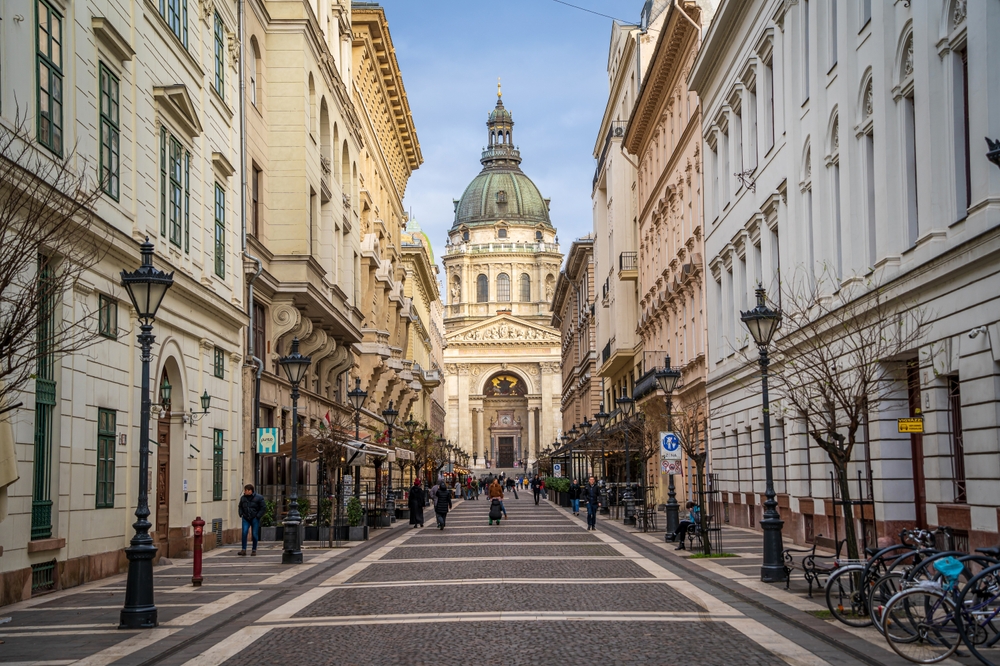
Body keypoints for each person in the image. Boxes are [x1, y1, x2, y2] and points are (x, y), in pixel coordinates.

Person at [238, 484, 266, 556]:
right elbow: (240, 506)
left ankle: (254, 550)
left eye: (246, 490)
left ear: (250, 491)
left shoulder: (258, 498)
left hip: (254, 518)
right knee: (244, 533)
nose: (245, 492)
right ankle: (243, 549)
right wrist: (241, 513)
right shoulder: (243, 498)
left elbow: (263, 508)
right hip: (246, 518)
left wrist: (258, 516)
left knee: (254, 534)